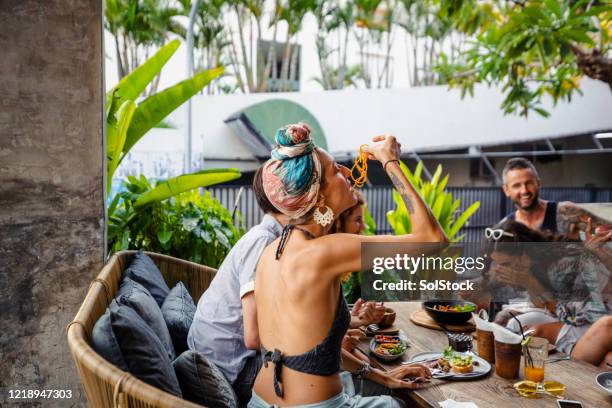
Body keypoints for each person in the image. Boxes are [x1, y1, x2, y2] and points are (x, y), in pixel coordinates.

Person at [250, 123, 447, 407]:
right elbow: (432, 239)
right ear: (318, 197)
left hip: (258, 401)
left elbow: (310, 348)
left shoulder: (272, 251)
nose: (346, 172)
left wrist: (379, 374)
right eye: (334, 171)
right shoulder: (324, 251)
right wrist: (390, 161)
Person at [188, 166, 389, 406]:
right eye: (335, 171)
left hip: (241, 365)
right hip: (229, 369)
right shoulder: (265, 242)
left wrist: (343, 324)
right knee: (346, 374)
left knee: (344, 365)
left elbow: (290, 313)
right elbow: (254, 337)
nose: (347, 174)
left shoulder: (283, 242)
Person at [482, 220, 611, 368]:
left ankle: (567, 372)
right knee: (514, 325)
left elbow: (572, 316)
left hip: (593, 318)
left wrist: (529, 282)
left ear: (525, 254)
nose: (500, 269)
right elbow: (541, 305)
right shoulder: (535, 265)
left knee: (533, 333)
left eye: (506, 264)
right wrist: (527, 282)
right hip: (566, 314)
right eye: (496, 263)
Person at [500, 157, 610, 235]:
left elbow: (606, 230)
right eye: (516, 185)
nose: (524, 190)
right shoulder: (504, 228)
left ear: (538, 183)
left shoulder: (565, 212)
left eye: (529, 183)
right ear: (506, 190)